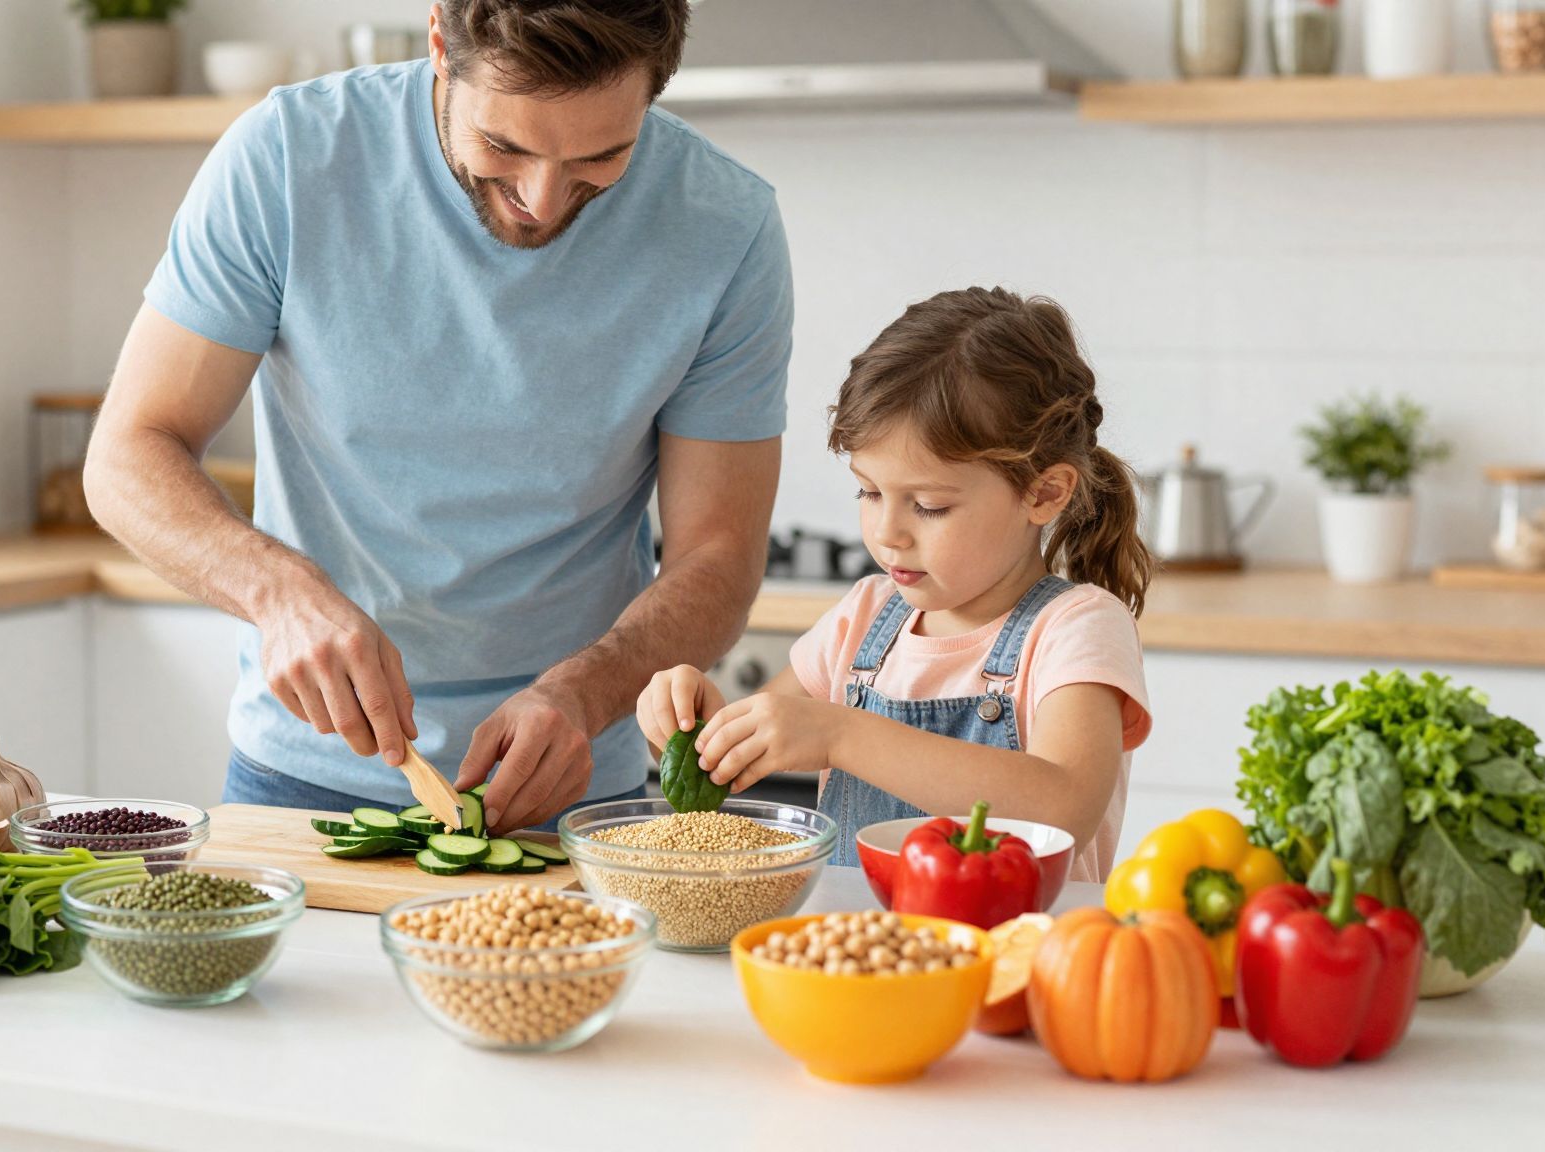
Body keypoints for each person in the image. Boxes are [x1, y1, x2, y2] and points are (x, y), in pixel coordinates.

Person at [86, 0, 792, 833]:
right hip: (302, 777)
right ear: (438, 47)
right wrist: (280, 594)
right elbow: (128, 454)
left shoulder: (725, 229)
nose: (541, 198)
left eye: (603, 158)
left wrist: (582, 693)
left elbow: (718, 557)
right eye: (504, 146)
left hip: (569, 783)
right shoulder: (287, 158)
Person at [636, 288, 1153, 878]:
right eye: (870, 492)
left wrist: (842, 736)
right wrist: (689, 724)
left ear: (1044, 493)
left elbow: (1062, 808)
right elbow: (735, 756)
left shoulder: (1076, 628)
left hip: (1016, 959)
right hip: (867, 957)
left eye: (929, 505)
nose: (887, 534)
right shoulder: (865, 616)